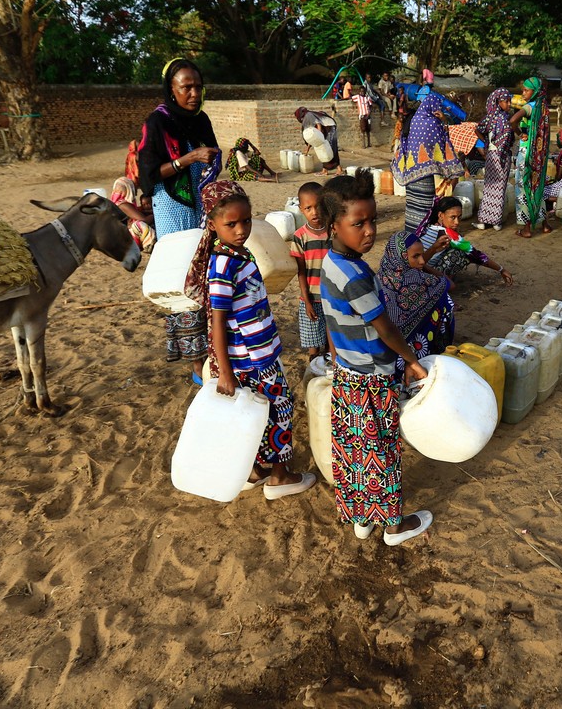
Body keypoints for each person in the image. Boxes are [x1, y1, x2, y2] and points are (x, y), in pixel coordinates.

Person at [318, 172, 434, 546]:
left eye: (373, 221)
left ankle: (363, 519)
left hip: (348, 375)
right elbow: (384, 329)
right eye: (358, 224)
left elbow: (333, 324)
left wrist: (337, 366)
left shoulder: (331, 263)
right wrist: (412, 361)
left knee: (355, 451)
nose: (369, 231)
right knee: (382, 452)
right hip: (371, 377)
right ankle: (394, 527)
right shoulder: (356, 276)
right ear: (334, 225)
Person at [183, 180, 316, 498]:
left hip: (257, 353)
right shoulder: (224, 264)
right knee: (280, 408)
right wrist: (224, 372)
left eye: (246, 220)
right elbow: (216, 321)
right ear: (213, 225)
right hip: (253, 360)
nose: (241, 229)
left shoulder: (238, 254)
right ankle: (280, 477)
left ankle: (255, 470)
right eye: (231, 224)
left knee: (256, 412)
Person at [136, 58, 222, 383]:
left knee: (206, 275)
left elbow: (212, 152)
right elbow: (149, 173)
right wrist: (188, 159)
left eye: (198, 86)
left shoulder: (201, 120)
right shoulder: (156, 124)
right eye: (186, 86)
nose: (194, 93)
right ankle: (196, 363)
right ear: (171, 89)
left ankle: (212, 350)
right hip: (172, 207)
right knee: (184, 280)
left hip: (201, 206)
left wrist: (212, 159)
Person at [379, 232, 455, 379]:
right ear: (400, 257)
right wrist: (425, 266)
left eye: (421, 255)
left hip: (385, 353)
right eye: (416, 256)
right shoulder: (418, 280)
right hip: (409, 352)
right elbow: (450, 284)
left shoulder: (380, 276)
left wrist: (423, 259)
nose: (421, 261)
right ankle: (435, 350)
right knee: (445, 299)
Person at [392, 92, 464, 234]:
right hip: (424, 175)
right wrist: (443, 120)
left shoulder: (414, 119)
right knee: (424, 207)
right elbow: (441, 142)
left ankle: (411, 235)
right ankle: (422, 236)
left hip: (411, 174)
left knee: (413, 206)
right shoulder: (431, 122)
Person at [417, 197, 515, 285]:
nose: (457, 222)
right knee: (461, 253)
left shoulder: (428, 226)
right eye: (453, 217)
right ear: (441, 215)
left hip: (416, 268)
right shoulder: (447, 234)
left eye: (459, 217)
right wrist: (501, 269)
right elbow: (476, 254)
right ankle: (444, 284)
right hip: (425, 273)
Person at [289, 181, 331, 367]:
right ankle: (314, 373)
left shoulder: (334, 231)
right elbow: (301, 272)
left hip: (333, 297)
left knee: (332, 344)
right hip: (311, 298)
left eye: (318, 206)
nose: (314, 212)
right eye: (308, 208)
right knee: (313, 345)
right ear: (301, 209)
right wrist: (306, 301)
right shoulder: (300, 237)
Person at [507, 77, 552, 237]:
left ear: (535, 92)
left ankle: (526, 229)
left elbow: (512, 121)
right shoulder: (545, 108)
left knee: (524, 188)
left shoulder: (529, 107)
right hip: (540, 156)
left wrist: (520, 134)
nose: (523, 93)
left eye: (526, 90)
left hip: (527, 155)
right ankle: (545, 224)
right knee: (538, 186)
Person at [472, 88, 513, 230]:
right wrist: (487, 143)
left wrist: (487, 143)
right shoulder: (506, 119)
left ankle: (484, 221)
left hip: (492, 155)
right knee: (498, 187)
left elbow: (478, 129)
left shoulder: (490, 118)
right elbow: (477, 130)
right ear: (498, 102)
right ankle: (495, 222)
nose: (509, 104)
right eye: (506, 101)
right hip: (500, 156)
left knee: (490, 187)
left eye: (509, 101)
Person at [110, 141, 156, 253]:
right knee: (139, 224)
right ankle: (149, 244)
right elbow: (143, 219)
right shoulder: (122, 204)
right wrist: (157, 213)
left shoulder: (120, 203)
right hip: (123, 238)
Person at [295, 107, 343, 176]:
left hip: (330, 127)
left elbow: (318, 125)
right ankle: (325, 170)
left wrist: (319, 136)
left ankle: (340, 169)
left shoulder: (308, 115)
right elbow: (311, 137)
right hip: (324, 128)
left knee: (330, 148)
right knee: (322, 149)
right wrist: (307, 150)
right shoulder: (306, 119)